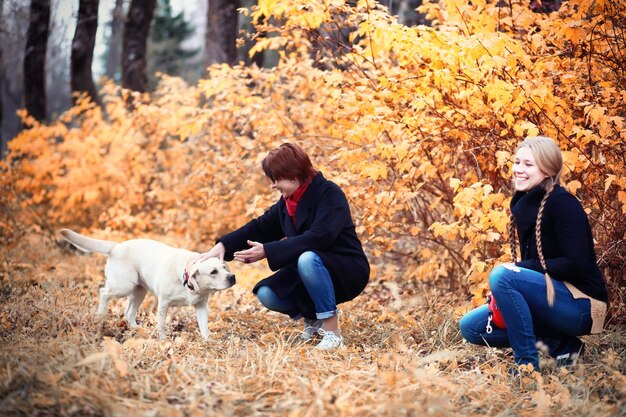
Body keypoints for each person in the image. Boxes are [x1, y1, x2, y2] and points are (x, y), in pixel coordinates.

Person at [197, 143, 370, 349]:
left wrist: (267, 251)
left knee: (307, 258)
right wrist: (224, 245)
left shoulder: (329, 193)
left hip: (345, 268)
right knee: (268, 294)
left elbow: (320, 237)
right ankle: (314, 322)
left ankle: (332, 333)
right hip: (309, 270)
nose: (273, 185)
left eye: (276, 179)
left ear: (293, 176)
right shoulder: (288, 202)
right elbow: (261, 226)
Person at [459, 136, 608, 371]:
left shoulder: (563, 204)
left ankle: (526, 366)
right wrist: (512, 284)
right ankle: (564, 346)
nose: (519, 169)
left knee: (502, 275)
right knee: (471, 326)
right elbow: (533, 269)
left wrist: (519, 271)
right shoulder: (525, 203)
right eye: (517, 162)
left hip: (582, 305)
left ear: (548, 169)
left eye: (528, 165)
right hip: (551, 298)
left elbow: (576, 264)